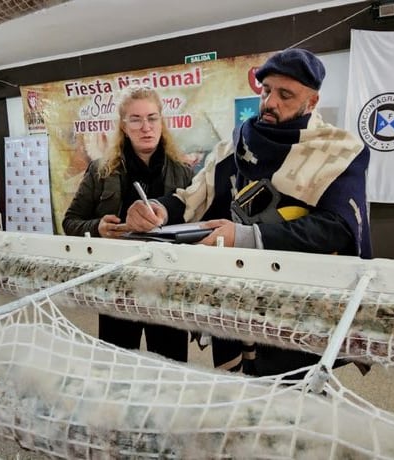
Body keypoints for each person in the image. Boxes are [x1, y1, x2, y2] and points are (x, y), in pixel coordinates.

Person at [126, 49, 371, 375]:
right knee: (237, 393)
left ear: (311, 102)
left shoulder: (339, 151)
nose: (270, 102)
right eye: (267, 90)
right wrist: (155, 209)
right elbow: (193, 196)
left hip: (295, 306)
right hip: (232, 300)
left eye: (286, 95)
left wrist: (245, 236)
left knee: (291, 400)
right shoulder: (237, 143)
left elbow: (338, 228)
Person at [62, 85, 193, 362]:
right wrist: (97, 227)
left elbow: (198, 226)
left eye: (152, 118)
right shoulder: (100, 171)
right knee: (116, 365)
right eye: (135, 119)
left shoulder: (184, 172)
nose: (145, 127)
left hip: (166, 288)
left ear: (161, 121)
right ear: (123, 125)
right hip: (116, 287)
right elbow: (70, 222)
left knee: (171, 367)